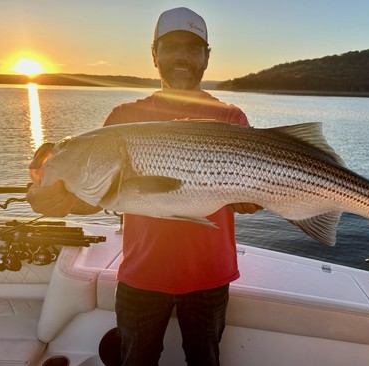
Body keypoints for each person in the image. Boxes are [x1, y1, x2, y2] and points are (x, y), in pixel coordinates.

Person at [26, 7, 260, 366]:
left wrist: (253, 199)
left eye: (193, 48)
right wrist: (57, 200)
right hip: (141, 277)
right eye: (171, 47)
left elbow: (249, 197)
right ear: (154, 54)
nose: (182, 56)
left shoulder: (230, 117)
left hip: (210, 275)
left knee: (206, 360)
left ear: (206, 57)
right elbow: (97, 197)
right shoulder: (123, 118)